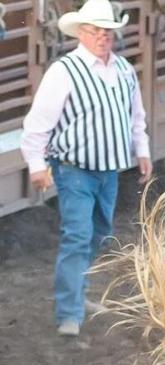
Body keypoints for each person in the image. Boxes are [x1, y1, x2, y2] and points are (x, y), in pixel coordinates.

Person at [20, 0, 152, 337]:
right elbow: (38, 124)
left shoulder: (124, 70)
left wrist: (143, 151)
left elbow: (135, 116)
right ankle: (69, 312)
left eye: (107, 31)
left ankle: (77, 294)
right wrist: (36, 164)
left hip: (109, 170)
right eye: (95, 30)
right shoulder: (64, 71)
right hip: (73, 168)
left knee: (98, 232)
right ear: (81, 32)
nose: (102, 37)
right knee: (78, 236)